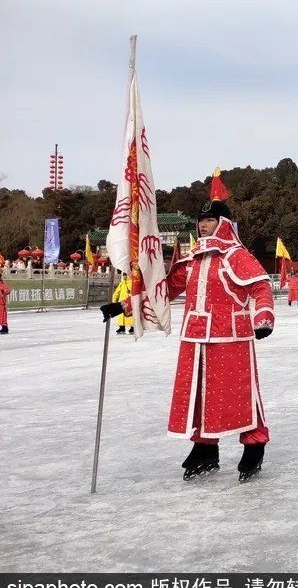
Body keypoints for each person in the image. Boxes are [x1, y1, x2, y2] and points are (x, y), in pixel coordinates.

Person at [100, 199, 275, 483]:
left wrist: (263, 317)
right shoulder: (192, 258)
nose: (204, 225)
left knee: (241, 392)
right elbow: (164, 290)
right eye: (201, 220)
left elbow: (260, 286)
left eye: (210, 220)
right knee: (199, 394)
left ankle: (255, 444)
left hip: (231, 336)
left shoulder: (236, 255)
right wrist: (124, 306)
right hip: (194, 336)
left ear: (224, 223)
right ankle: (205, 447)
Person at [0, 270, 10, 335]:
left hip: (2, 303)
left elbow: (8, 290)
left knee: (3, 316)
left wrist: (3, 291)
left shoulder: (2, 284)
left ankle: (5, 327)